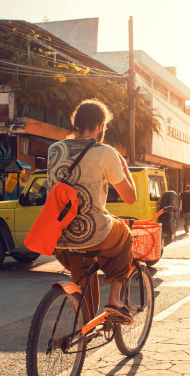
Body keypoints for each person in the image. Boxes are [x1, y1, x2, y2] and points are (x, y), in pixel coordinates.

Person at [47, 99, 137, 324]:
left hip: (59, 236)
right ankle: (115, 299)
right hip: (94, 234)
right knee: (125, 236)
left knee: (86, 300)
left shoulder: (54, 149)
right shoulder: (105, 151)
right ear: (100, 124)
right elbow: (130, 198)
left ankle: (81, 329)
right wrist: (125, 169)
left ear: (76, 123)